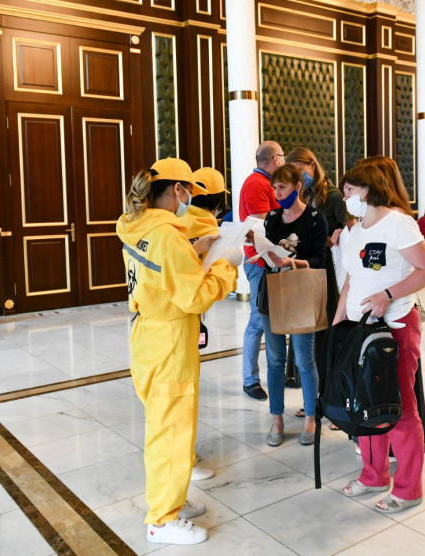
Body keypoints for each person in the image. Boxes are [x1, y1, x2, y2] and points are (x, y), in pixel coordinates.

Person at [116, 158, 242, 546]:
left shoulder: (135, 224)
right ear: (177, 190)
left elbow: (163, 267)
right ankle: (162, 519)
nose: (191, 199)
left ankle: (173, 497)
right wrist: (226, 267)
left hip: (148, 333)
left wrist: (193, 248)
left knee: (169, 424)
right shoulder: (167, 237)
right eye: (189, 191)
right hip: (170, 339)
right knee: (171, 431)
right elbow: (195, 297)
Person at [335, 165, 425, 514]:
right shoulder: (355, 230)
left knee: (400, 406)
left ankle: (409, 489)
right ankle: (374, 475)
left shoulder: (398, 223)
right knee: (364, 402)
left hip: (395, 326)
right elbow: (350, 280)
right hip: (359, 329)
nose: (345, 198)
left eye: (349, 190)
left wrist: (388, 295)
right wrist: (338, 323)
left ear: (367, 189)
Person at [261, 164, 328, 446]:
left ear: (298, 187)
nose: (277, 193)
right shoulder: (272, 217)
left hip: (301, 291)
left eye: (283, 188)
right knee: (275, 359)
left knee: (303, 359)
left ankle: (311, 416)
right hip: (272, 291)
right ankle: (277, 418)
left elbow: (320, 260)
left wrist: (292, 262)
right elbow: (266, 252)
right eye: (274, 188)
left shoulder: (314, 218)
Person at [285, 147, 354, 404]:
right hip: (305, 270)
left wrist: (332, 239)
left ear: (312, 166)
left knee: (326, 336)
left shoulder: (333, 196)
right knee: (306, 336)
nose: (298, 176)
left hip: (327, 271)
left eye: (299, 170)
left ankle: (330, 398)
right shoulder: (303, 195)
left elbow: (351, 233)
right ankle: (312, 399)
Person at [179, 166, 229, 481]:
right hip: (183, 319)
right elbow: (205, 285)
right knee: (185, 393)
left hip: (160, 321)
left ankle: (183, 454)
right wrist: (226, 268)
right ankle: (184, 459)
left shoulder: (170, 224)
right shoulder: (207, 225)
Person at [239, 141, 284, 400]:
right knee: (258, 320)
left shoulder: (266, 182)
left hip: (270, 260)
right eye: (282, 157)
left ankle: (276, 372)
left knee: (271, 319)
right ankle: (250, 380)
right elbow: (262, 226)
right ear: (275, 159)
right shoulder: (256, 183)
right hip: (259, 262)